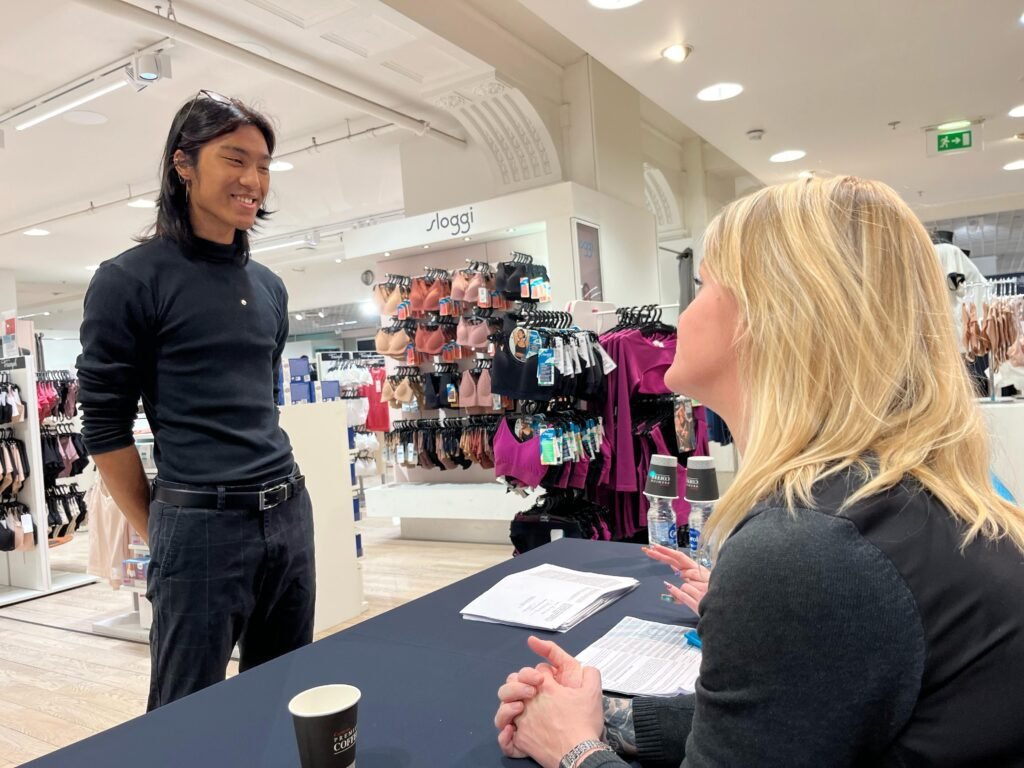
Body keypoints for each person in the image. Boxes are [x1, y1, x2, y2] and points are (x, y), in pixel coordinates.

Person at [494, 176, 1024, 767]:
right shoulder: (891, 499)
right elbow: (793, 713)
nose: (683, 315)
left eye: (702, 287)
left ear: (768, 315)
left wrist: (573, 747)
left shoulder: (808, 546)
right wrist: (614, 720)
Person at [77, 90, 315, 710]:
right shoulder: (130, 279)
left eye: (263, 165)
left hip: (289, 510)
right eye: (235, 159)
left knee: (286, 696)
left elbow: (263, 398)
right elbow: (103, 426)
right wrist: (160, 526)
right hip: (201, 524)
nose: (253, 180)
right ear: (183, 163)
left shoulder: (269, 286)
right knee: (185, 714)